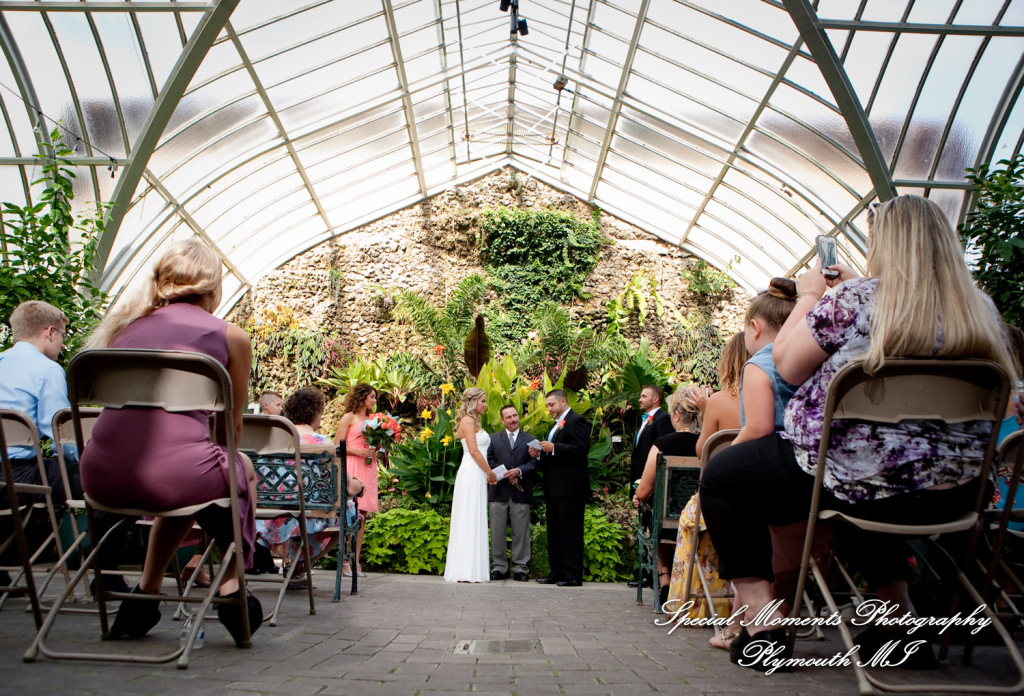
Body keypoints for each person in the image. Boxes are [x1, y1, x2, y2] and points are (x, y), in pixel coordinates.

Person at [699, 195, 1019, 672]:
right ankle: (899, 624)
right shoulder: (979, 309)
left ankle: (763, 622)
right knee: (877, 477)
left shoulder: (854, 301)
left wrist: (812, 295)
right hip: (957, 495)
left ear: (885, 245)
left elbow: (786, 365)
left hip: (856, 483)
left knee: (724, 477)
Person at [80, 239, 262, 647]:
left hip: (99, 476)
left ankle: (146, 593)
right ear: (214, 287)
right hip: (177, 476)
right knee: (229, 470)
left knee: (188, 475)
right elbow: (229, 433)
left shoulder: (123, 328)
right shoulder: (230, 336)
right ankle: (232, 584)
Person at [254, 387, 365, 587]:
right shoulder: (320, 442)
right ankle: (301, 567)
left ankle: (296, 568)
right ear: (315, 414)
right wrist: (359, 485)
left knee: (306, 509)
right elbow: (349, 488)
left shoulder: (270, 440)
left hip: (265, 512)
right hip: (306, 512)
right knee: (349, 513)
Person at [0, 301, 77, 503]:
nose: (62, 344)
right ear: (50, 332)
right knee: (106, 481)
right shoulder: (47, 369)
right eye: (63, 335)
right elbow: (62, 437)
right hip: (16, 477)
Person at [632, 386, 702, 605]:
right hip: (701, 520)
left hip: (668, 523)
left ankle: (665, 576)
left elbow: (644, 490)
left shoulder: (663, 444)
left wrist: (638, 496)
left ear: (677, 415)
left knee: (656, 514)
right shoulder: (707, 443)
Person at [529, 389, 591, 587]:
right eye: (547, 405)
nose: (549, 409)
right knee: (555, 532)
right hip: (553, 487)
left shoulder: (577, 421)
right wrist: (539, 454)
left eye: (552, 405)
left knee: (570, 531)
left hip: (570, 488)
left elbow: (581, 450)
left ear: (563, 401)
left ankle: (572, 575)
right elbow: (551, 456)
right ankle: (556, 572)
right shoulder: (554, 426)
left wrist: (554, 447)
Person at [444, 387, 497, 583]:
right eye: (483, 401)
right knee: (468, 517)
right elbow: (474, 451)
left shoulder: (475, 421)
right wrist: (490, 472)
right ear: (472, 401)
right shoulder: (467, 421)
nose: (486, 405)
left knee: (475, 516)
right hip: (472, 471)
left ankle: (473, 569)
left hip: (477, 471)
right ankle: (465, 570)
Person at [487, 404, 538, 581]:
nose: (513, 419)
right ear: (502, 420)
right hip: (498, 490)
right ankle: (498, 567)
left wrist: (519, 471)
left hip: (521, 491)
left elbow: (535, 463)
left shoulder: (531, 439)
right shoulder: (492, 439)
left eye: (515, 415)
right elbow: (488, 460)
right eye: (508, 417)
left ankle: (520, 568)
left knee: (521, 531)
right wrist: (506, 474)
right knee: (497, 530)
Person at [334, 383, 379, 577]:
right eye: (372, 397)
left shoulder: (373, 420)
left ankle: (356, 561)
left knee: (362, 515)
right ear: (362, 397)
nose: (374, 401)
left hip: (368, 467)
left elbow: (373, 444)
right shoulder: (348, 417)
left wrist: (379, 446)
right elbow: (337, 445)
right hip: (352, 465)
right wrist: (359, 452)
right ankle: (344, 561)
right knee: (350, 512)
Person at [693, 331, 747, 459]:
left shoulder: (718, 401)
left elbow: (702, 452)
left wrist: (707, 411)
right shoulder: (774, 396)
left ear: (727, 362)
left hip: (731, 467)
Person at [630, 385, 674, 485]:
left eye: (644, 396)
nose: (640, 399)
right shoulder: (646, 419)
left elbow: (664, 450)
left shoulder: (663, 419)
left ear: (655, 399)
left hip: (652, 479)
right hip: (638, 475)